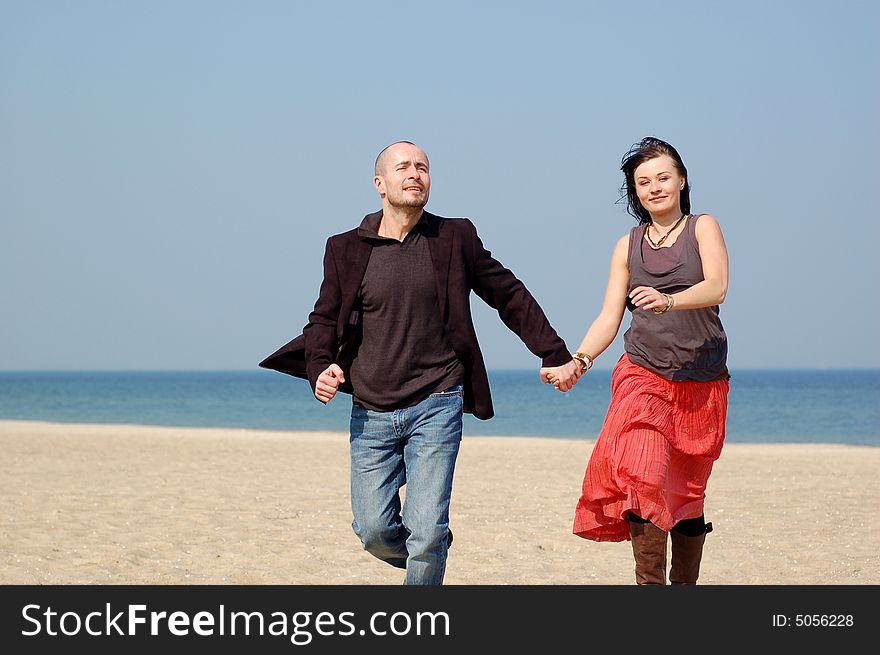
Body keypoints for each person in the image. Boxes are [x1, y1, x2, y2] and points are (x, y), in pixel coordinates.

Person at [265, 141, 581, 585]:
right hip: (372, 409)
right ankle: (427, 553)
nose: (414, 174)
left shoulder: (455, 237)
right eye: (403, 167)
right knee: (374, 530)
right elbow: (322, 319)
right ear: (380, 183)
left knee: (427, 529)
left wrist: (554, 352)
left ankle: (426, 565)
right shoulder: (345, 248)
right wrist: (320, 367)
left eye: (423, 167)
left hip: (438, 400)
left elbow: (507, 293)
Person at [542, 136, 729, 584]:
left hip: (701, 380)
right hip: (643, 375)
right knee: (643, 477)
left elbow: (718, 286)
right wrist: (579, 361)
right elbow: (609, 315)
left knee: (685, 493)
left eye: (663, 177)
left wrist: (668, 301)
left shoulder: (702, 227)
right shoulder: (627, 246)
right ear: (635, 192)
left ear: (682, 181)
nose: (654, 187)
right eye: (643, 182)